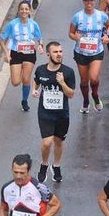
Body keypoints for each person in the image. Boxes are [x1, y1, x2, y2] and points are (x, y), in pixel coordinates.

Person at [32, 42, 75, 182]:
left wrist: (62, 83)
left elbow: (71, 94)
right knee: (46, 143)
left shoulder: (68, 72)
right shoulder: (41, 70)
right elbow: (36, 81)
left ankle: (56, 165)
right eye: (55, 52)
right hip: (45, 113)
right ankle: (44, 164)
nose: (59, 54)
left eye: (60, 51)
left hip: (62, 114)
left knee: (58, 141)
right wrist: (34, 90)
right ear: (48, 54)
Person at [68, 0, 109, 112]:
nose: (89, 3)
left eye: (91, 0)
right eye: (86, 0)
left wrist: (107, 35)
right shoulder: (77, 17)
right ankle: (86, 101)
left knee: (93, 78)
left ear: (94, 1)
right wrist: (75, 37)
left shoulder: (101, 15)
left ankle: (95, 95)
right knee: (84, 80)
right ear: (83, 2)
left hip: (96, 51)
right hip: (81, 52)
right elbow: (70, 33)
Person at [0, 2, 43, 111]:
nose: (24, 11)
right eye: (22, 9)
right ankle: (18, 70)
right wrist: (6, 53)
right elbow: (1, 39)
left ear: (29, 11)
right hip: (16, 53)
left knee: (26, 79)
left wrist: (40, 46)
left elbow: (39, 38)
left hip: (29, 53)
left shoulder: (34, 24)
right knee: (15, 82)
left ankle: (24, 101)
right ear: (18, 11)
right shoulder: (12, 24)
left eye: (26, 9)